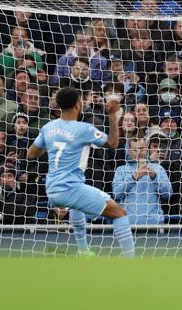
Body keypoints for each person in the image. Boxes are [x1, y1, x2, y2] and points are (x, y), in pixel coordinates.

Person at [27, 87, 135, 258]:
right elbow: (113, 143)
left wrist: (51, 144)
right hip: (70, 187)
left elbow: (31, 154)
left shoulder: (48, 128)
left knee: (77, 206)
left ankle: (83, 251)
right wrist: (113, 117)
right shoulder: (84, 129)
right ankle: (132, 263)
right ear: (78, 105)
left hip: (52, 189)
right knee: (120, 214)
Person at [113, 137, 173, 225]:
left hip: (153, 224)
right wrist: (133, 178)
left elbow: (167, 193)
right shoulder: (121, 170)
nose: (139, 153)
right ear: (129, 150)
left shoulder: (158, 168)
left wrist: (154, 177)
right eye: (135, 150)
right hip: (128, 224)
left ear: (147, 149)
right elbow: (117, 194)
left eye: (142, 149)